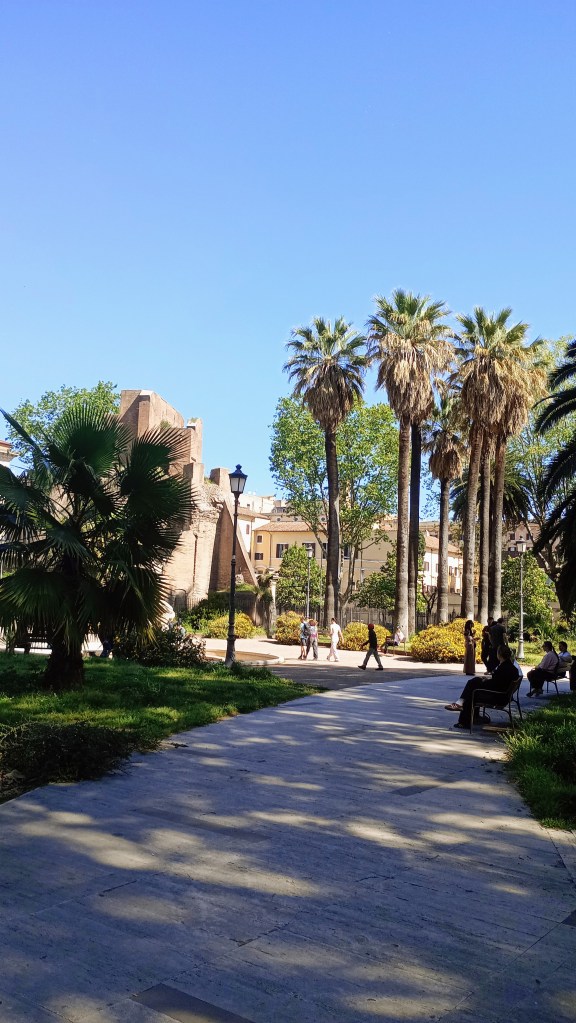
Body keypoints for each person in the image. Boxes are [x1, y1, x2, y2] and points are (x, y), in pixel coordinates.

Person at [446, 644, 520, 729]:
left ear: (499, 654)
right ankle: (471, 714)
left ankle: (464, 721)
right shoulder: (512, 668)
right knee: (475, 683)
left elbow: (495, 684)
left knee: (472, 690)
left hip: (498, 697)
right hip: (504, 695)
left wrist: (484, 681)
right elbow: (498, 682)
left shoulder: (504, 668)